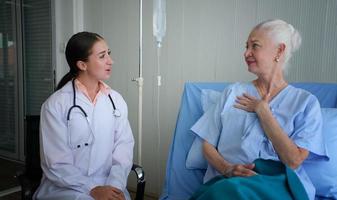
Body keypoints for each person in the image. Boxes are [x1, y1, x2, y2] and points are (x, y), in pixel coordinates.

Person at [190, 19, 327, 200]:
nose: (246, 53)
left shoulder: (305, 102)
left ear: (279, 50)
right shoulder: (233, 92)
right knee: (223, 192)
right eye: (246, 46)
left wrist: (263, 112)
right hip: (228, 182)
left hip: (279, 184)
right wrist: (227, 169)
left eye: (255, 46)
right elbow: (207, 145)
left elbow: (293, 161)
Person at [33, 32, 134, 200]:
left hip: (109, 183)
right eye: (102, 56)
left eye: (109, 53)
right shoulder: (55, 105)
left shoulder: (116, 100)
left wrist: (114, 186)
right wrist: (92, 188)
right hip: (66, 187)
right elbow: (56, 163)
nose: (110, 61)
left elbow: (124, 149)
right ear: (82, 65)